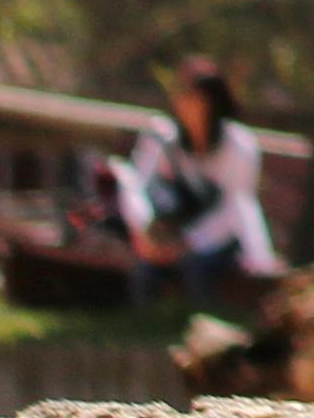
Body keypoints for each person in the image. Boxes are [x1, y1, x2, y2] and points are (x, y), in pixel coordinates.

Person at [109, 60, 278, 301]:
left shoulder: (239, 145)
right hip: (171, 236)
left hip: (220, 240)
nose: (185, 105)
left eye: (194, 98)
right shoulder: (164, 137)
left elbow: (238, 207)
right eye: (182, 95)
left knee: (197, 271)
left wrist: (190, 242)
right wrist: (146, 232)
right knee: (146, 273)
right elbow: (136, 184)